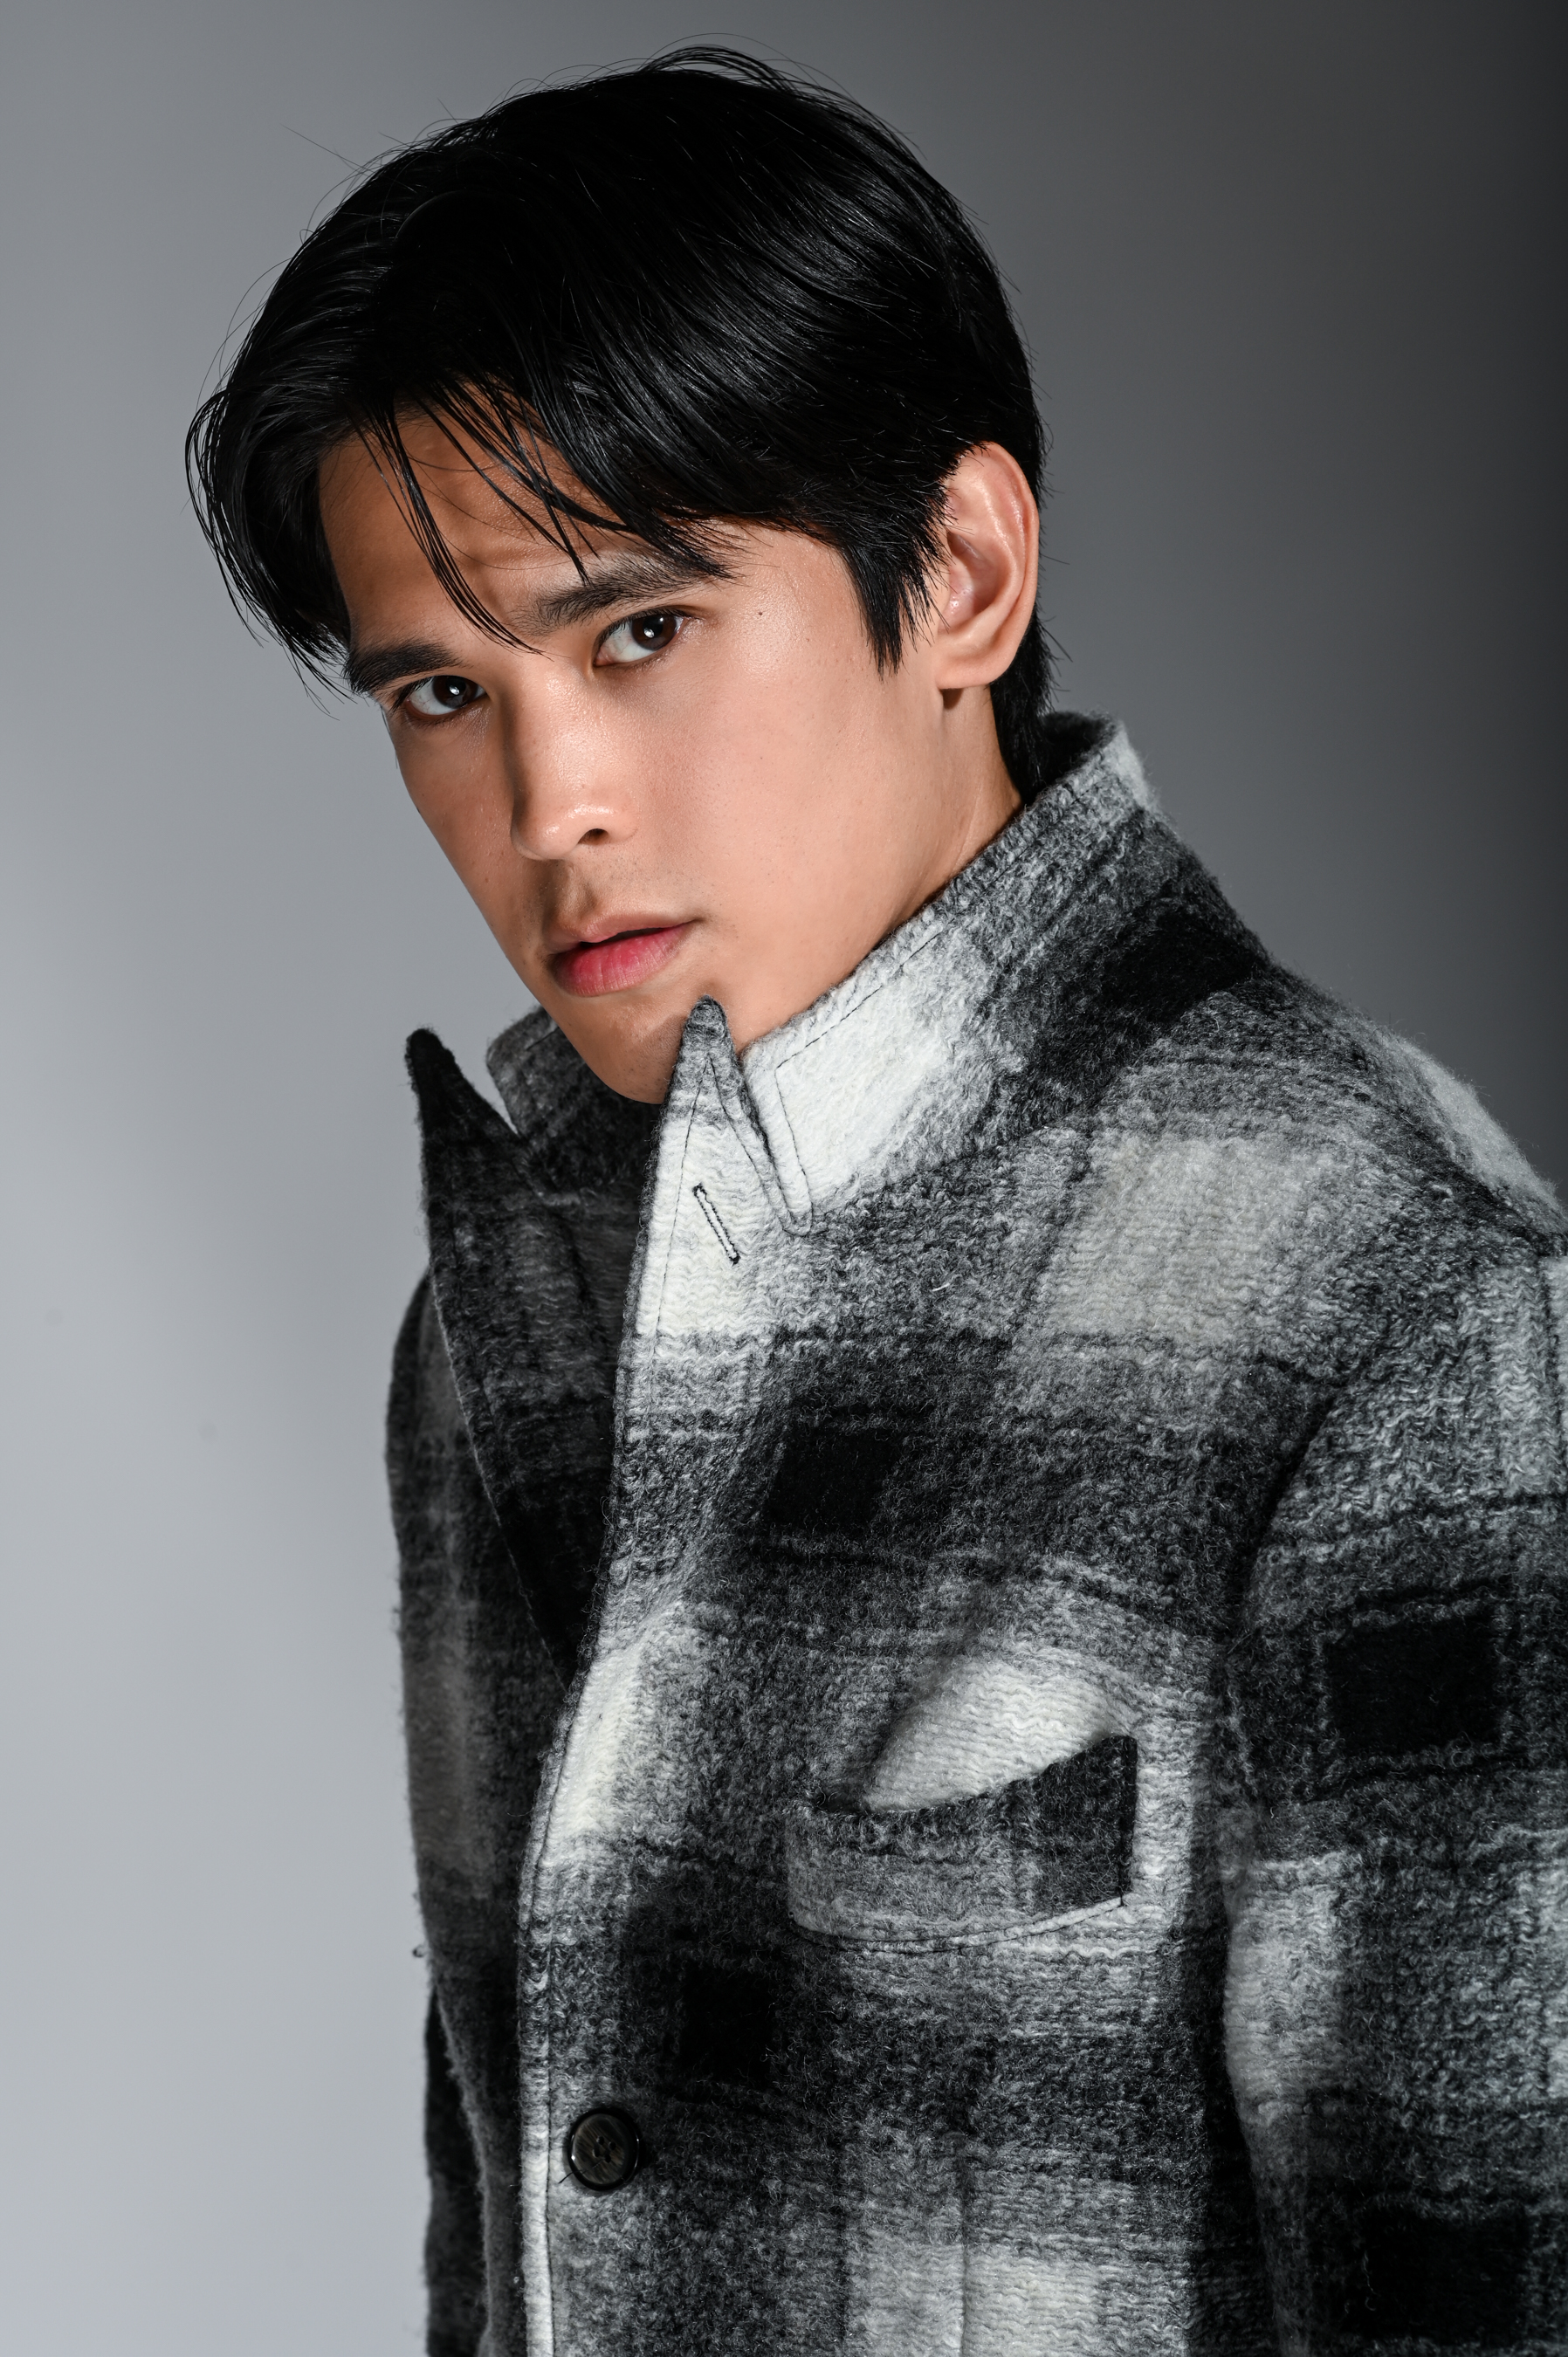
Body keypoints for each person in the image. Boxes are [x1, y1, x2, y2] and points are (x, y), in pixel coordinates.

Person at [187, 48, 1566, 2357]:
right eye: (439, 690)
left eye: (637, 631)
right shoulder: (519, 1298)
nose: (547, 801)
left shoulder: (1386, 1299)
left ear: (959, 575)